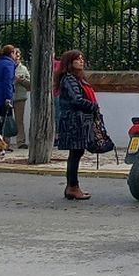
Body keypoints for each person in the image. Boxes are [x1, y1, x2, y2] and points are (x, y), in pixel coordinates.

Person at [54, 49, 100, 201]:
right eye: (77, 59)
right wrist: (93, 106)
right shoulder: (69, 79)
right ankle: (72, 187)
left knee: (76, 154)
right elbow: (76, 100)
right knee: (75, 154)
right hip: (73, 121)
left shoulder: (76, 79)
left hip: (77, 120)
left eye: (82, 58)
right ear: (69, 62)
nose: (81, 61)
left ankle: (73, 187)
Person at [12, 48, 31, 149]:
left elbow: (30, 85)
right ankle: (4, 141)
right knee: (5, 120)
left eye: (18, 56)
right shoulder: (7, 66)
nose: (16, 58)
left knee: (19, 120)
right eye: (15, 55)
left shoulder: (23, 68)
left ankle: (21, 141)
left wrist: (22, 80)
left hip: (20, 96)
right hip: (8, 96)